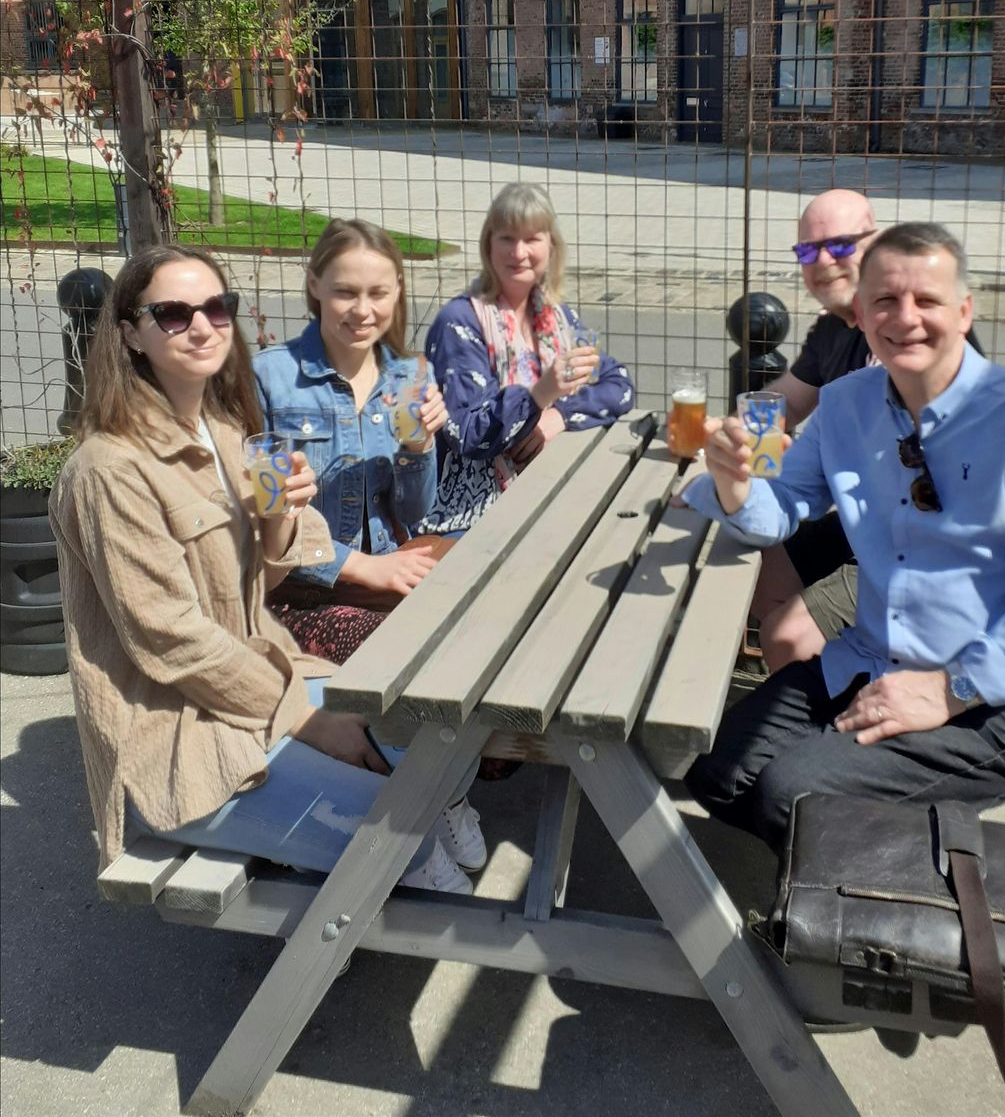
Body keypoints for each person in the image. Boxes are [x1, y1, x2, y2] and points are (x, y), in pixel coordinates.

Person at [49, 245, 475, 891]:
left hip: (260, 676)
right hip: (179, 738)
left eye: (218, 307)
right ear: (131, 332)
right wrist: (305, 720)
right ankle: (400, 897)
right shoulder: (108, 471)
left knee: (434, 748)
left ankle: (410, 871)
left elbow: (270, 577)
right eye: (173, 313)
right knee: (394, 834)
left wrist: (280, 517)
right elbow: (172, 641)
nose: (202, 324)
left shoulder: (222, 433)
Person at [683, 223, 1005, 854]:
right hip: (869, 657)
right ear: (861, 312)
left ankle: (874, 912)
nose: (904, 317)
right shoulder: (846, 401)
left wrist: (946, 689)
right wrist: (734, 483)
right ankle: (837, 875)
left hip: (997, 695)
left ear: (965, 312)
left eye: (927, 301)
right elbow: (781, 510)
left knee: (789, 795)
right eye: (885, 301)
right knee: (714, 773)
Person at [758, 190, 984, 672]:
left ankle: (824, 726)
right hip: (869, 520)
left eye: (839, 246)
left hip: (930, 543)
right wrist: (731, 437)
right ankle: (843, 676)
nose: (822, 261)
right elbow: (790, 401)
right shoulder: (836, 328)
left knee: (789, 637)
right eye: (806, 250)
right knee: (756, 564)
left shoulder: (910, 331)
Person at [253, 219, 449, 664]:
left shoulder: (408, 376)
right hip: (298, 595)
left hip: (387, 572)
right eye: (345, 292)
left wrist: (419, 447)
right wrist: (360, 567)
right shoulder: (270, 378)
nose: (362, 310)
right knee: (413, 652)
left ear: (397, 291)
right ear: (315, 285)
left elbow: (413, 512)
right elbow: (263, 523)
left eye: (377, 293)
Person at [421, 181, 636, 534]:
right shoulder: (460, 322)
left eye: (532, 238)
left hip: (552, 488)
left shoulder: (555, 317)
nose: (518, 252)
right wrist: (538, 396)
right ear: (488, 245)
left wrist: (558, 416)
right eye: (507, 238)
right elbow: (468, 434)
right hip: (472, 515)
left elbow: (619, 387)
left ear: (551, 247)